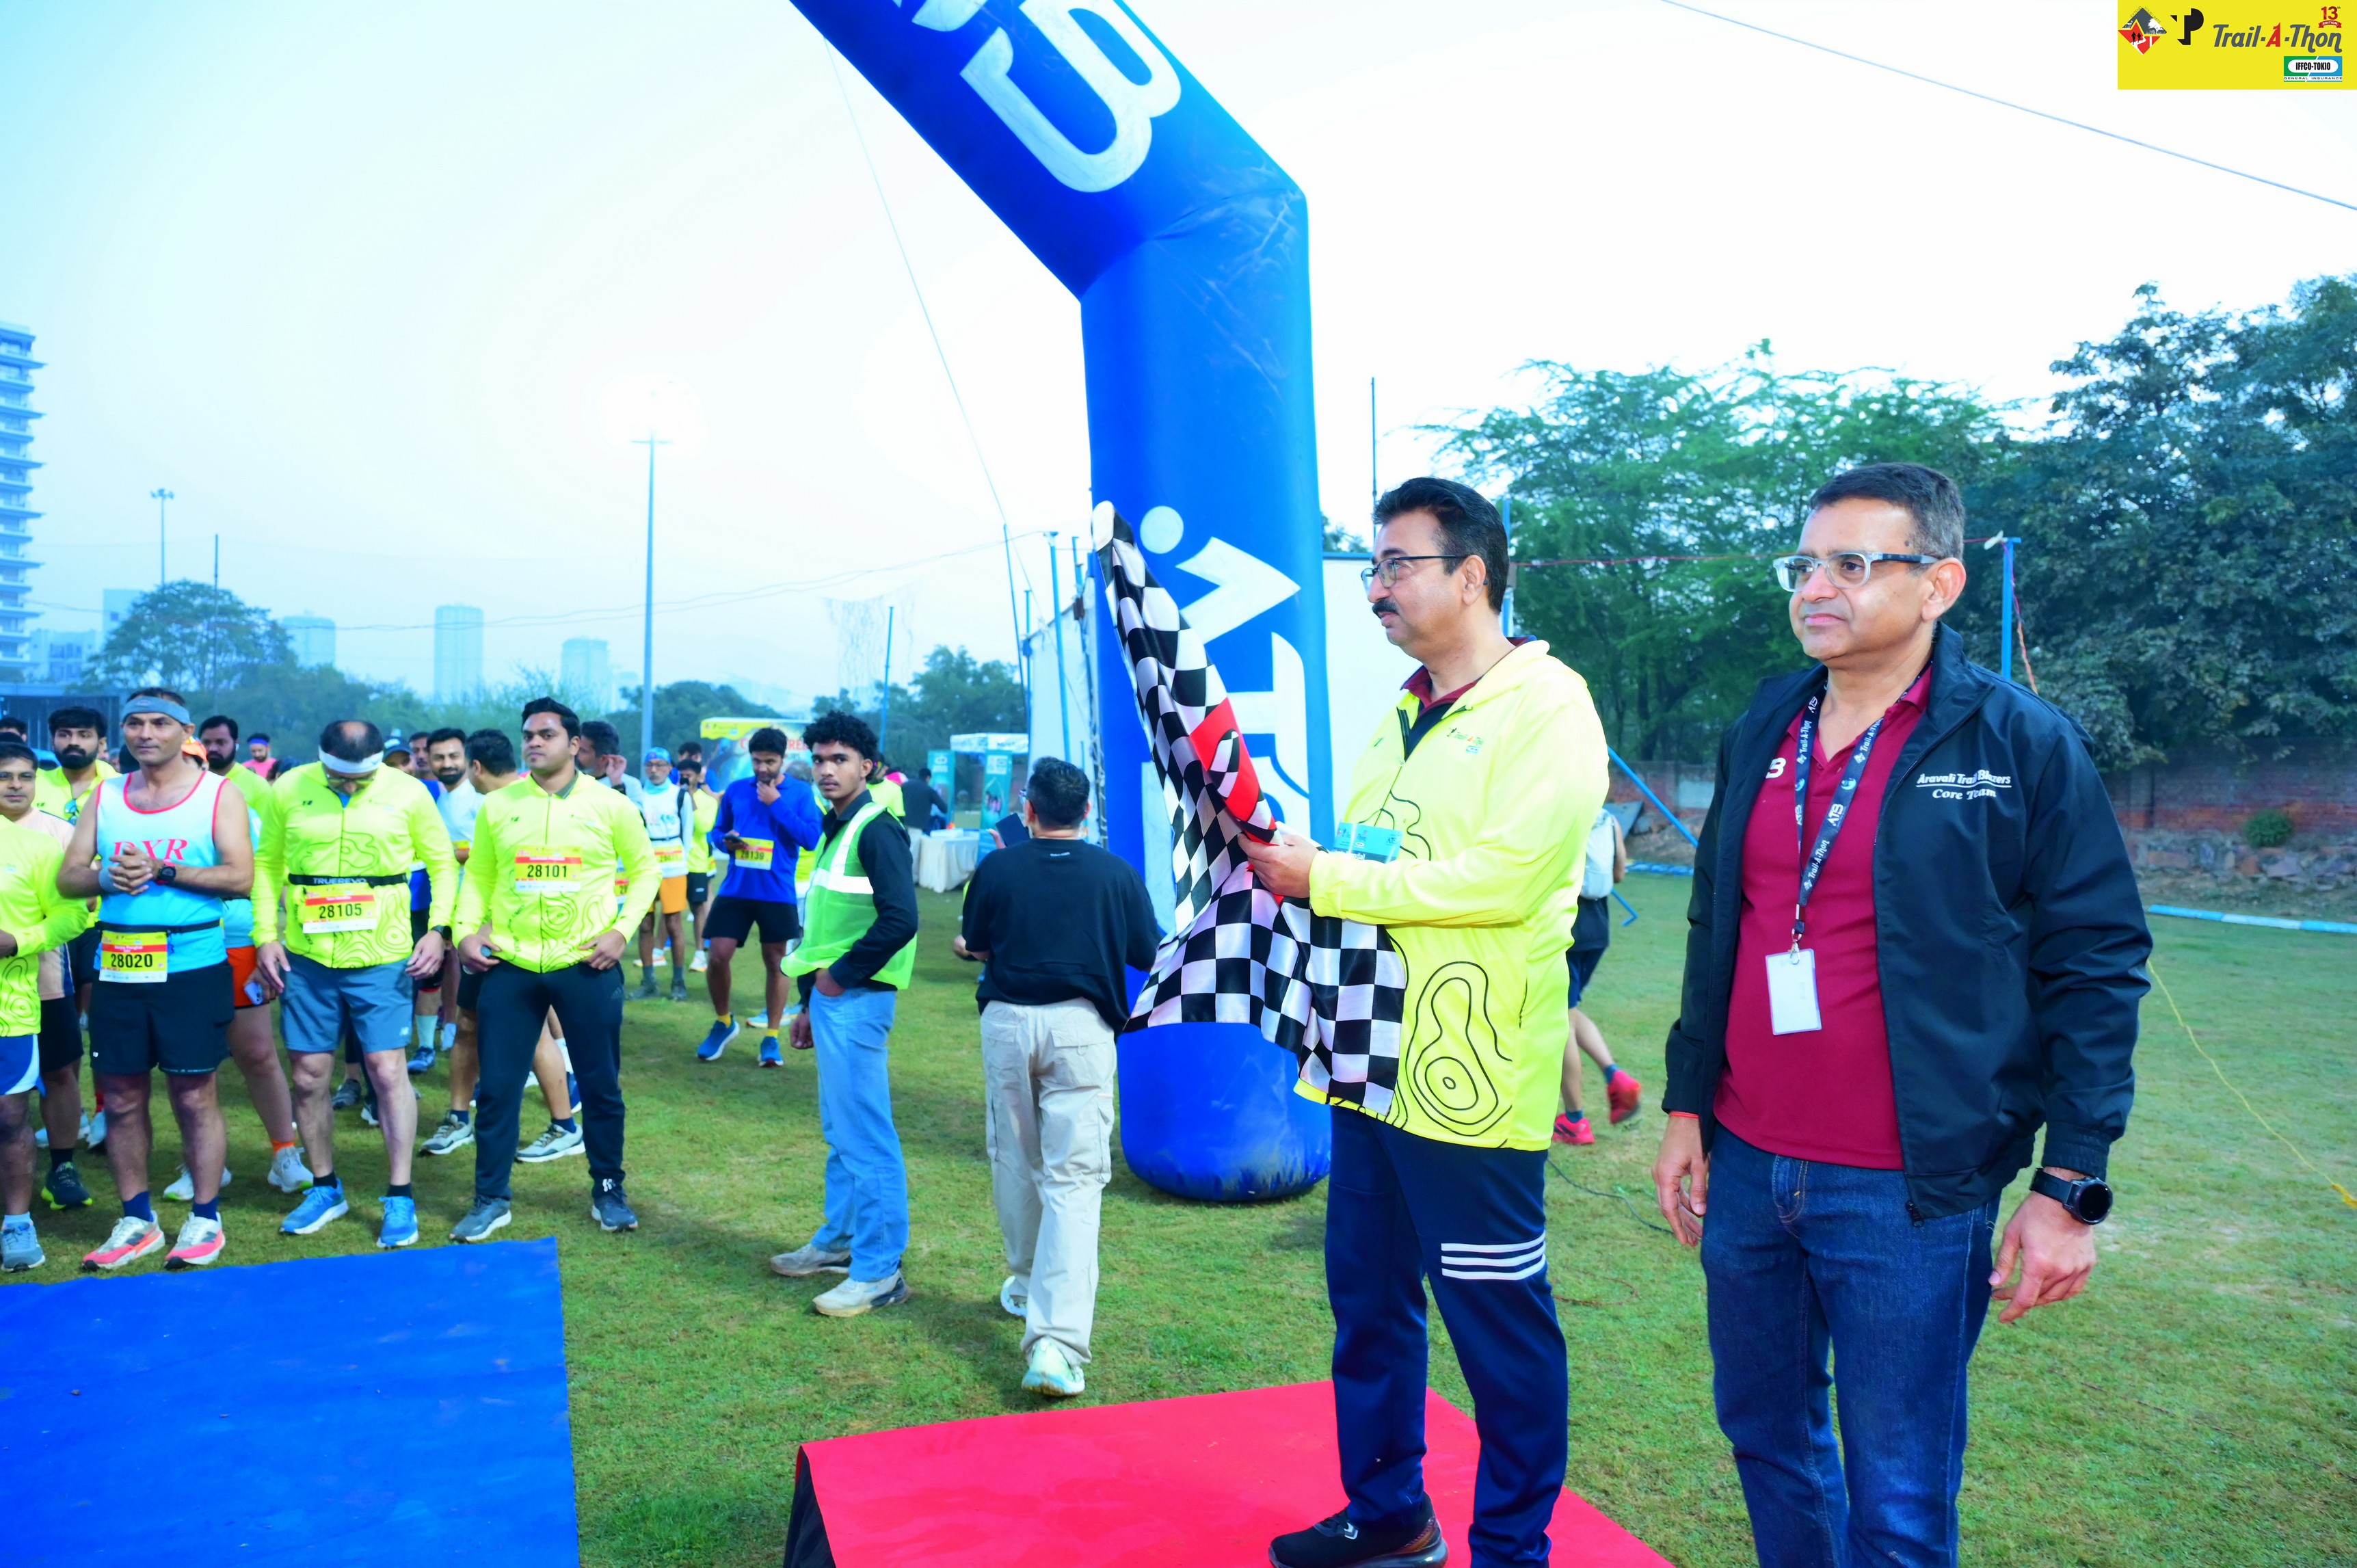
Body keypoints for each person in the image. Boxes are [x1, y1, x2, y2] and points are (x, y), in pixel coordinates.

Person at [1651, 463, 2151, 1568]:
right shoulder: (1765, 721)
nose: (1813, 588)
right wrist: (1687, 1104)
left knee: (1899, 1493)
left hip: (1906, 1189)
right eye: (1803, 564)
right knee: (1767, 1439)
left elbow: (2096, 962)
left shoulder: (2016, 741)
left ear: (1938, 584)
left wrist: (2069, 1184)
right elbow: (1715, 922)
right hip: (1747, 1166)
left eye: (1851, 563)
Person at [1240, 477, 1608, 1568]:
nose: (1375, 587)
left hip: (1470, 1076)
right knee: (1367, 1302)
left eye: (1396, 564)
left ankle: (1510, 1549)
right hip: (1367, 1055)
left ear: (1471, 575)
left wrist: (1327, 877)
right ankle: (1388, 1512)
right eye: (1372, 566)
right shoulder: (1401, 712)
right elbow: (1379, 858)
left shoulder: (1547, 706)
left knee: (1497, 1328)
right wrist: (1302, 859)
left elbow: (1504, 878)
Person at [950, 758, 1157, 1396]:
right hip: (1079, 1025)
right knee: (1074, 1179)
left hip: (1009, 1021)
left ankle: (1027, 1285)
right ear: (1086, 811)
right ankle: (1055, 1341)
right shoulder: (1115, 872)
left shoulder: (998, 867)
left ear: (1029, 809)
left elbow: (976, 942)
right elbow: (1146, 951)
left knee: (1016, 1159)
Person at [62, 688, 257, 1271]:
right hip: (119, 961)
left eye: (159, 723)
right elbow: (69, 877)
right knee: (121, 1097)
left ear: (185, 732)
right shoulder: (107, 794)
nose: (146, 733)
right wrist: (107, 880)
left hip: (191, 961)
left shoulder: (218, 793)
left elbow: (240, 877)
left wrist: (164, 870)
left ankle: (205, 1216)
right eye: (135, 723)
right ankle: (137, 1219)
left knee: (194, 1094)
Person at [451, 697, 658, 1240]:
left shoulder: (610, 804)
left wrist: (620, 932)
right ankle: (490, 1198)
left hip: (586, 961)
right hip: (511, 965)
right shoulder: (499, 806)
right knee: (498, 1088)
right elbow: (479, 877)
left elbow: (645, 872)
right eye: (528, 735)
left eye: (546, 734)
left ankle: (608, 1189)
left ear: (574, 743)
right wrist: (465, 932)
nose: (534, 742)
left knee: (601, 1085)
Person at [253, 720, 453, 1249]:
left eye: (359, 779)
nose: (348, 786)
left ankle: (400, 1192)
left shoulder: (408, 791)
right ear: (321, 758)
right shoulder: (289, 786)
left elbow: (442, 864)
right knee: (308, 1076)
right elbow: (267, 864)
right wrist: (264, 935)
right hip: (307, 955)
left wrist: (438, 930)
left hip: (382, 955)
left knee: (387, 1070)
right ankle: (324, 1186)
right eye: (338, 776)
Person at [767, 710, 920, 1317]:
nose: (826, 770)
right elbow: (828, 924)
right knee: (842, 1131)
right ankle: (840, 1240)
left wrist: (838, 978)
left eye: (840, 759)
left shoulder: (877, 827)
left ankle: (879, 1270)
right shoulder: (838, 824)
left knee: (865, 1135)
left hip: (857, 999)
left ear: (867, 766)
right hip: (833, 1001)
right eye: (819, 759)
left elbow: (901, 918)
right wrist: (810, 999)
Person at [420, 728, 583, 1164]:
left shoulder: (530, 804)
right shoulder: (497, 804)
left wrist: (491, 926)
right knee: (467, 1024)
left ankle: (564, 1126)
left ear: (475, 766)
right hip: (484, 935)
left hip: (518, 939)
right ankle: (459, 1118)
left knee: (532, 1029)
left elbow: (534, 875)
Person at [179, 713, 310, 1201]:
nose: (190, 771)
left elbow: (266, 881)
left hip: (237, 944)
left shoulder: (239, 813)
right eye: (182, 763)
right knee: (190, 1062)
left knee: (256, 1053)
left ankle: (285, 1153)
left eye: (196, 763)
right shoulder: (148, 815)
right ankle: (201, 1162)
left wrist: (262, 946)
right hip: (178, 946)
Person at [0, 741, 92, 1269]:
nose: (15, 784)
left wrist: (18, 940)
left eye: (24, 776)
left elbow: (76, 915)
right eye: (4, 775)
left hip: (24, 997)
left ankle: (22, 1216)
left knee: (17, 1108)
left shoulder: (47, 841)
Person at [696, 728, 823, 1066]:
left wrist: (776, 804)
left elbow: (811, 838)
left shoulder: (800, 793)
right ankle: (724, 1022)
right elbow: (716, 832)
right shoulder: (737, 790)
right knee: (717, 956)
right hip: (736, 889)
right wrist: (726, 841)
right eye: (757, 761)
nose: (763, 768)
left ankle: (771, 1037)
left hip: (776, 891)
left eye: (770, 761)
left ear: (783, 759)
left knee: (776, 961)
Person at [1553, 807, 1640, 1146]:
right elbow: (1619, 874)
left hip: (1566, 929)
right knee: (1569, 1010)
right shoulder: (1609, 819)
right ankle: (1616, 1077)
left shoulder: (1563, 811)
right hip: (1598, 929)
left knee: (1561, 1021)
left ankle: (1575, 1120)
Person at [632, 747, 693, 1002]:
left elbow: (687, 833)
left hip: (673, 868)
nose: (654, 770)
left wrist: (682, 863)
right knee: (645, 925)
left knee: (673, 924)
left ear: (670, 768)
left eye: (659, 765)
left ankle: (678, 982)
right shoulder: (638, 795)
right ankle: (649, 982)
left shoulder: (680, 796)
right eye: (649, 765)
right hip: (644, 868)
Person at [680, 756, 719, 972]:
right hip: (674, 861)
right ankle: (658, 952)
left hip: (696, 862)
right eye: (682, 775)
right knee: (670, 909)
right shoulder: (673, 796)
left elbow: (704, 826)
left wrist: (690, 800)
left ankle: (699, 954)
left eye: (689, 775)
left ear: (697, 777)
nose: (685, 779)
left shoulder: (707, 800)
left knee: (698, 908)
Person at [901, 766, 944, 834]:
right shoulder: (929, 790)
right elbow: (943, 808)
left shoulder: (905, 785)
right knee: (914, 840)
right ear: (928, 778)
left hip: (902, 822)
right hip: (917, 825)